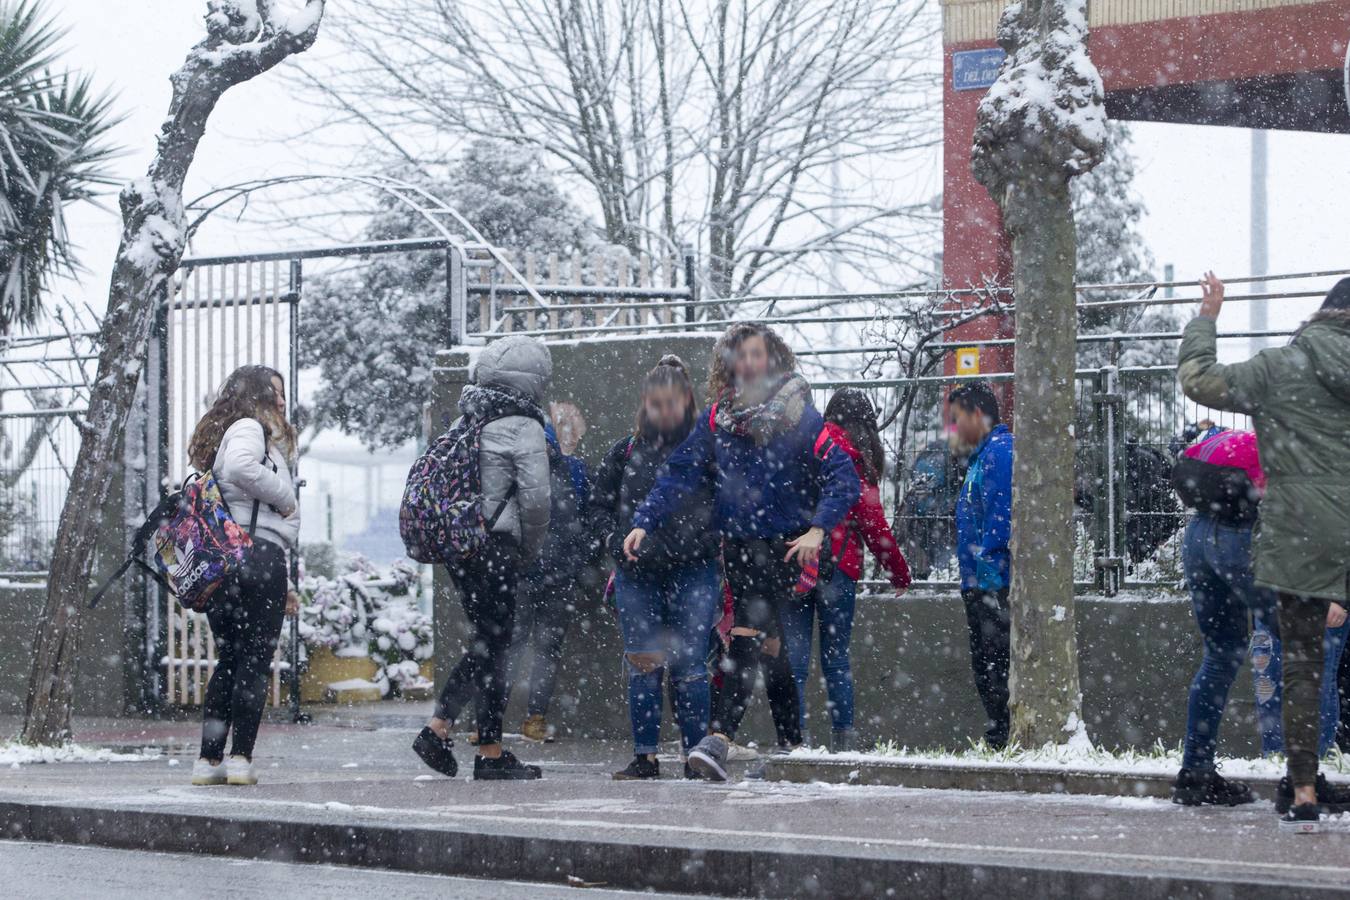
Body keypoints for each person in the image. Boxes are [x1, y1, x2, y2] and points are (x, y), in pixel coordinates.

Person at [625, 323, 861, 781]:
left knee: (747, 636)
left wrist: (818, 530)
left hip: (786, 548)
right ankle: (793, 744)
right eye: (740, 355)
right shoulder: (716, 420)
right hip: (739, 545)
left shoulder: (801, 416)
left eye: (756, 354)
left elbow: (844, 476)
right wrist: (644, 521)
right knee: (771, 646)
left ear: (772, 359)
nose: (749, 363)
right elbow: (679, 473)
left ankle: (718, 738)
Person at [1178, 273, 1350, 831]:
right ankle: (1305, 778)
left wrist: (1207, 317)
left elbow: (1198, 379)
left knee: (1296, 660)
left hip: (1286, 531)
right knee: (1321, 656)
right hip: (1341, 530)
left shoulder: (1278, 366)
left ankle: (1297, 788)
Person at [413, 335, 552, 781]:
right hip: (495, 546)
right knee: (494, 646)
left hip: (464, 545)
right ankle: (439, 728)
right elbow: (536, 501)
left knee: (491, 646)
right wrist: (529, 549)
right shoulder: (523, 423)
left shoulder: (470, 415)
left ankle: (490, 752)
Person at [592, 356, 721, 780]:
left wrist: (709, 537)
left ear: (687, 402)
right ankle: (645, 756)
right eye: (655, 403)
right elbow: (597, 507)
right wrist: (615, 542)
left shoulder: (707, 450)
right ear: (645, 405)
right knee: (644, 663)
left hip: (694, 570)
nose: (663, 411)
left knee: (691, 668)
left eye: (671, 402)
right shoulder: (625, 451)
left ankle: (694, 757)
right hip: (638, 574)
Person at [781, 388, 911, 752]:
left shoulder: (812, 448)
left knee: (795, 661)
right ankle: (844, 741)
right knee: (836, 659)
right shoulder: (857, 458)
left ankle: (795, 742)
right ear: (866, 422)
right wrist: (897, 572)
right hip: (840, 568)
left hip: (797, 561)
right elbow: (874, 525)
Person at [188, 366, 299, 787]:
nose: (283, 401)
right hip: (256, 557)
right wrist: (286, 497)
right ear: (257, 395)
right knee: (253, 662)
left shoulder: (233, 430)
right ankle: (239, 760)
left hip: (226, 561)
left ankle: (207, 761)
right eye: (276, 392)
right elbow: (239, 468)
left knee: (230, 659)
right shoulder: (250, 428)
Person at [1168, 427, 1276, 806]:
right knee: (1304, 645)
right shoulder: (1288, 444)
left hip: (1197, 537)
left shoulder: (1228, 439)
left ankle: (1195, 774)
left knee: (1220, 655)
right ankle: (1302, 779)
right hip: (1240, 538)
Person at [507, 418, 593, 743]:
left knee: (545, 650)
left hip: (557, 578)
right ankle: (491, 720)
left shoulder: (574, 472)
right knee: (513, 648)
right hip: (522, 576)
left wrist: (576, 560)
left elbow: (588, 517)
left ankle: (535, 719)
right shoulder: (516, 474)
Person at [950, 381, 1013, 750]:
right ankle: (1000, 735)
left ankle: (1002, 737)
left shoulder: (999, 454)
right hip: (981, 582)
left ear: (977, 415)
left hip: (993, 585)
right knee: (987, 668)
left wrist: (989, 579)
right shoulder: (984, 455)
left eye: (958, 419)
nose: (955, 429)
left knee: (994, 667)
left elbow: (1000, 521)